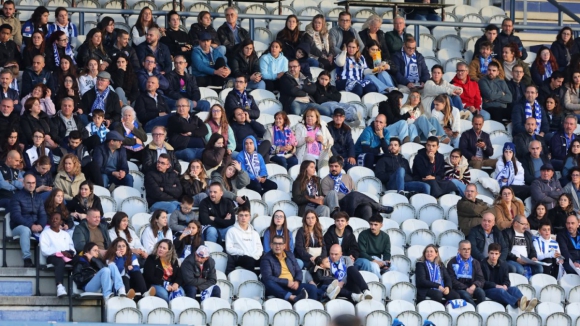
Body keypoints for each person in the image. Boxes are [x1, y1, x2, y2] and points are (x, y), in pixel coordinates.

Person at [321, 155, 393, 220]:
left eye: (336, 166)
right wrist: (348, 196)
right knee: (351, 195)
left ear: (341, 167)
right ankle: (378, 206)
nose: (333, 168)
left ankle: (367, 230)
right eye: (331, 166)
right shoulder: (325, 180)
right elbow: (329, 197)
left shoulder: (347, 177)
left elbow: (354, 193)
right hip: (338, 207)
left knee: (366, 208)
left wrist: (350, 196)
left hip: (351, 205)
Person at [481, 243, 538, 311]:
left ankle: (526, 303)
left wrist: (505, 285)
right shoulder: (482, 264)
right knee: (501, 291)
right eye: (492, 253)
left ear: (499, 254)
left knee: (514, 289)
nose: (494, 256)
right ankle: (518, 303)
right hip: (488, 290)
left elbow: (507, 280)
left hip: (501, 288)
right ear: (488, 253)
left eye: (496, 254)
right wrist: (496, 286)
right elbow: (482, 282)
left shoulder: (503, 264)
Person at [261, 234, 317, 302]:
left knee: (312, 288)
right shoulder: (266, 258)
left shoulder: (289, 254)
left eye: (280, 244)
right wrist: (286, 282)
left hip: (292, 285)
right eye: (275, 243)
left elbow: (298, 271)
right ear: (271, 245)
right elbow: (267, 277)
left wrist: (297, 281)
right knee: (268, 282)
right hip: (278, 287)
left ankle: (312, 309)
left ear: (284, 246)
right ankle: (291, 297)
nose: (277, 246)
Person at [10, 173, 47, 267]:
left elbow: (43, 214)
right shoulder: (16, 196)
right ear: (23, 184)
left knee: (50, 230)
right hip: (18, 227)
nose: (31, 185)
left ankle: (49, 259)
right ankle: (27, 259)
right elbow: (16, 216)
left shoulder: (38, 197)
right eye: (28, 183)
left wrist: (41, 225)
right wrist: (31, 225)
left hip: (35, 225)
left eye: (33, 183)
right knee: (25, 230)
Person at [40, 212, 75, 297]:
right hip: (53, 256)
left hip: (66, 256)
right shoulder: (45, 233)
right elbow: (44, 250)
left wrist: (71, 253)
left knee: (79, 259)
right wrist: (60, 252)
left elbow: (71, 246)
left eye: (57, 219)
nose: (54, 220)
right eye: (52, 218)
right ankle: (59, 287)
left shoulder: (65, 234)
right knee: (60, 262)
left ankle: (77, 285)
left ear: (61, 222)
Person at [167, 98, 209, 162]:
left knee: (209, 154)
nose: (181, 108)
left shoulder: (195, 118)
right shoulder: (173, 119)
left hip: (199, 148)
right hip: (182, 148)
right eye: (178, 106)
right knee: (189, 155)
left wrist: (191, 133)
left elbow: (205, 130)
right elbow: (183, 127)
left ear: (188, 107)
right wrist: (196, 127)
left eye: (183, 106)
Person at [446, 240, 486, 306]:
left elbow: (481, 279)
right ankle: (475, 311)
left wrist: (474, 286)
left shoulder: (475, 262)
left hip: (473, 287)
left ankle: (481, 310)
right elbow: (452, 280)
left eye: (469, 249)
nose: (467, 251)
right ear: (459, 250)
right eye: (464, 249)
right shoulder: (452, 262)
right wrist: (466, 288)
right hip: (459, 288)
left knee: (481, 292)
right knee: (465, 295)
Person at [224, 203, 262, 274]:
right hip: (240, 257)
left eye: (246, 215)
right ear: (237, 217)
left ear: (249, 217)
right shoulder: (231, 231)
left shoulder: (255, 233)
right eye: (241, 215)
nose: (243, 218)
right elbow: (229, 249)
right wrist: (244, 253)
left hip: (254, 256)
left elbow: (260, 248)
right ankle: (251, 280)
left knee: (267, 259)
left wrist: (256, 255)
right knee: (249, 260)